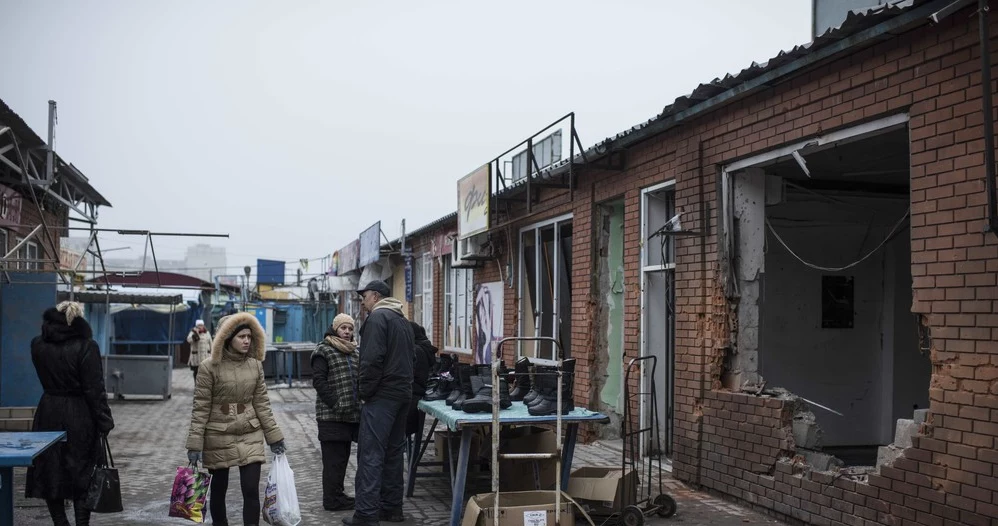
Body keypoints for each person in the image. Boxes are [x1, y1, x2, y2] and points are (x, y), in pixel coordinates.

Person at [185, 312, 286, 526]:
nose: (247, 341)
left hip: (249, 431)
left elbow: (262, 404)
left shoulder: (255, 365)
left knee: (251, 490)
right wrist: (195, 444)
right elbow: (200, 408)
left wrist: (274, 437)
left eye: (249, 336)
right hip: (218, 433)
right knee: (218, 489)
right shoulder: (208, 367)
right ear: (227, 338)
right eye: (241, 337)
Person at [26, 301, 115, 526]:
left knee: (50, 469)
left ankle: (59, 521)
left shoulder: (37, 345)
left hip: (48, 411)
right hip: (80, 415)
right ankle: (81, 523)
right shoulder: (87, 346)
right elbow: (94, 389)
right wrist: (104, 420)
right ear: (78, 319)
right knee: (83, 470)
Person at [344, 280, 414, 526]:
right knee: (394, 453)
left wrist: (365, 392)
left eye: (364, 297)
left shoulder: (377, 318)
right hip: (402, 395)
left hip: (382, 396)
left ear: (375, 296)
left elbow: (371, 361)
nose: (362, 302)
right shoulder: (402, 320)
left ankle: (366, 514)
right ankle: (392, 509)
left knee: (371, 454)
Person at [311, 313, 361, 512]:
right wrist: (336, 403)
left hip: (350, 415)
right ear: (335, 329)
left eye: (350, 328)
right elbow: (319, 382)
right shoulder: (324, 350)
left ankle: (338, 496)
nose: (347, 332)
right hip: (331, 416)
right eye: (343, 328)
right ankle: (331, 500)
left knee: (342, 460)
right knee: (333, 461)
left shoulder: (354, 352)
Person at [406, 321, 438, 436]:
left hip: (412, 394)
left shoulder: (416, 350)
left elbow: (413, 375)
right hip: (416, 393)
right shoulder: (422, 347)